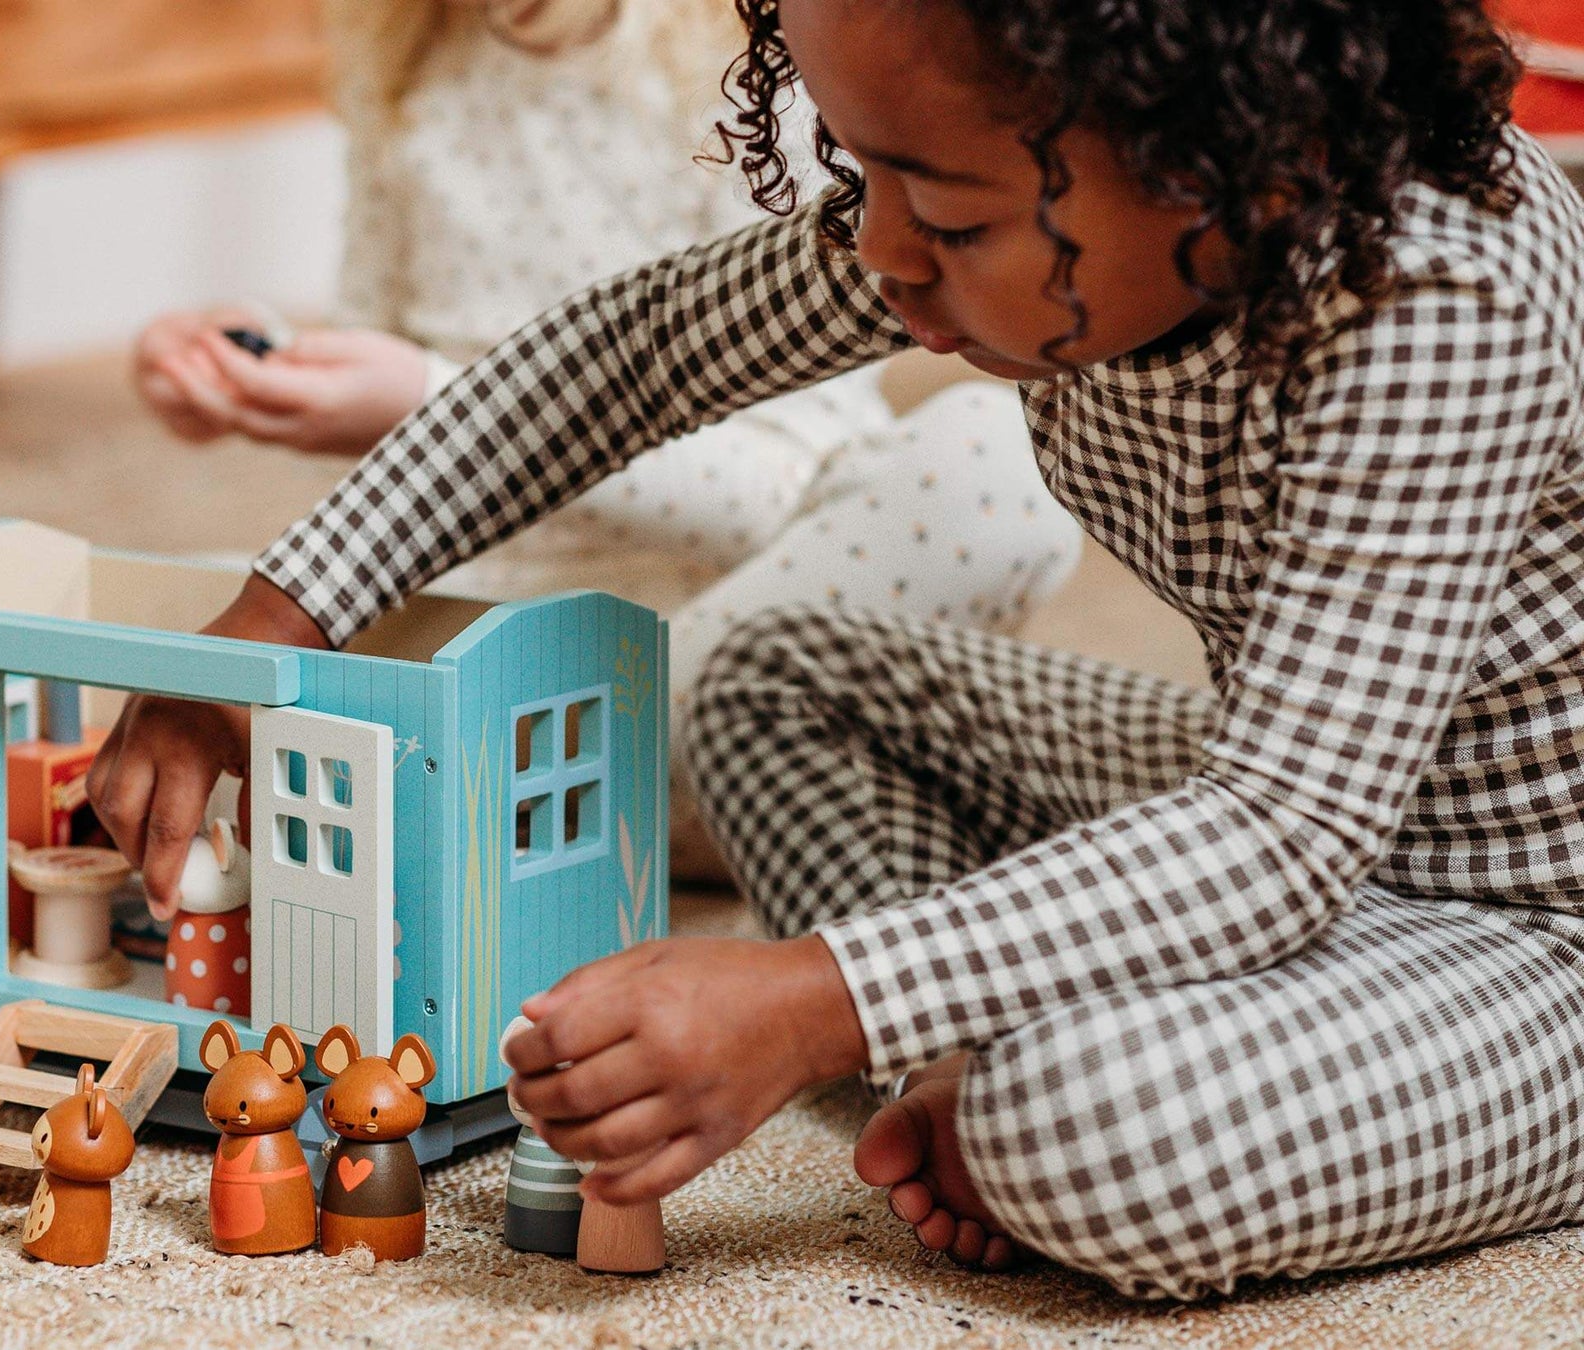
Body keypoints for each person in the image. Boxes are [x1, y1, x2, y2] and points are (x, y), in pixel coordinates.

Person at [93, 0, 1584, 1301]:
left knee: (1076, 1123)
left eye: (946, 217)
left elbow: (1280, 831)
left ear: (1227, 164)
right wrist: (274, 627)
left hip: (1528, 917)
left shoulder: (1435, 293)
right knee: (771, 675)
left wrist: (810, 997)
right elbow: (629, 354)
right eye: (864, 178)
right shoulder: (1050, 194)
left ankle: (960, 1055)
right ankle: (944, 1043)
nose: (879, 252)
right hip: (1291, 788)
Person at [130, 0, 1080, 879]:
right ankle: (485, 814)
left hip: (706, 648)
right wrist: (257, 367)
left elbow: (781, 491)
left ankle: (468, 812)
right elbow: (388, 415)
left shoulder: (759, 68)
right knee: (125, 636)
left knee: (995, 473)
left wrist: (427, 397)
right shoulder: (411, 59)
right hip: (482, 638)